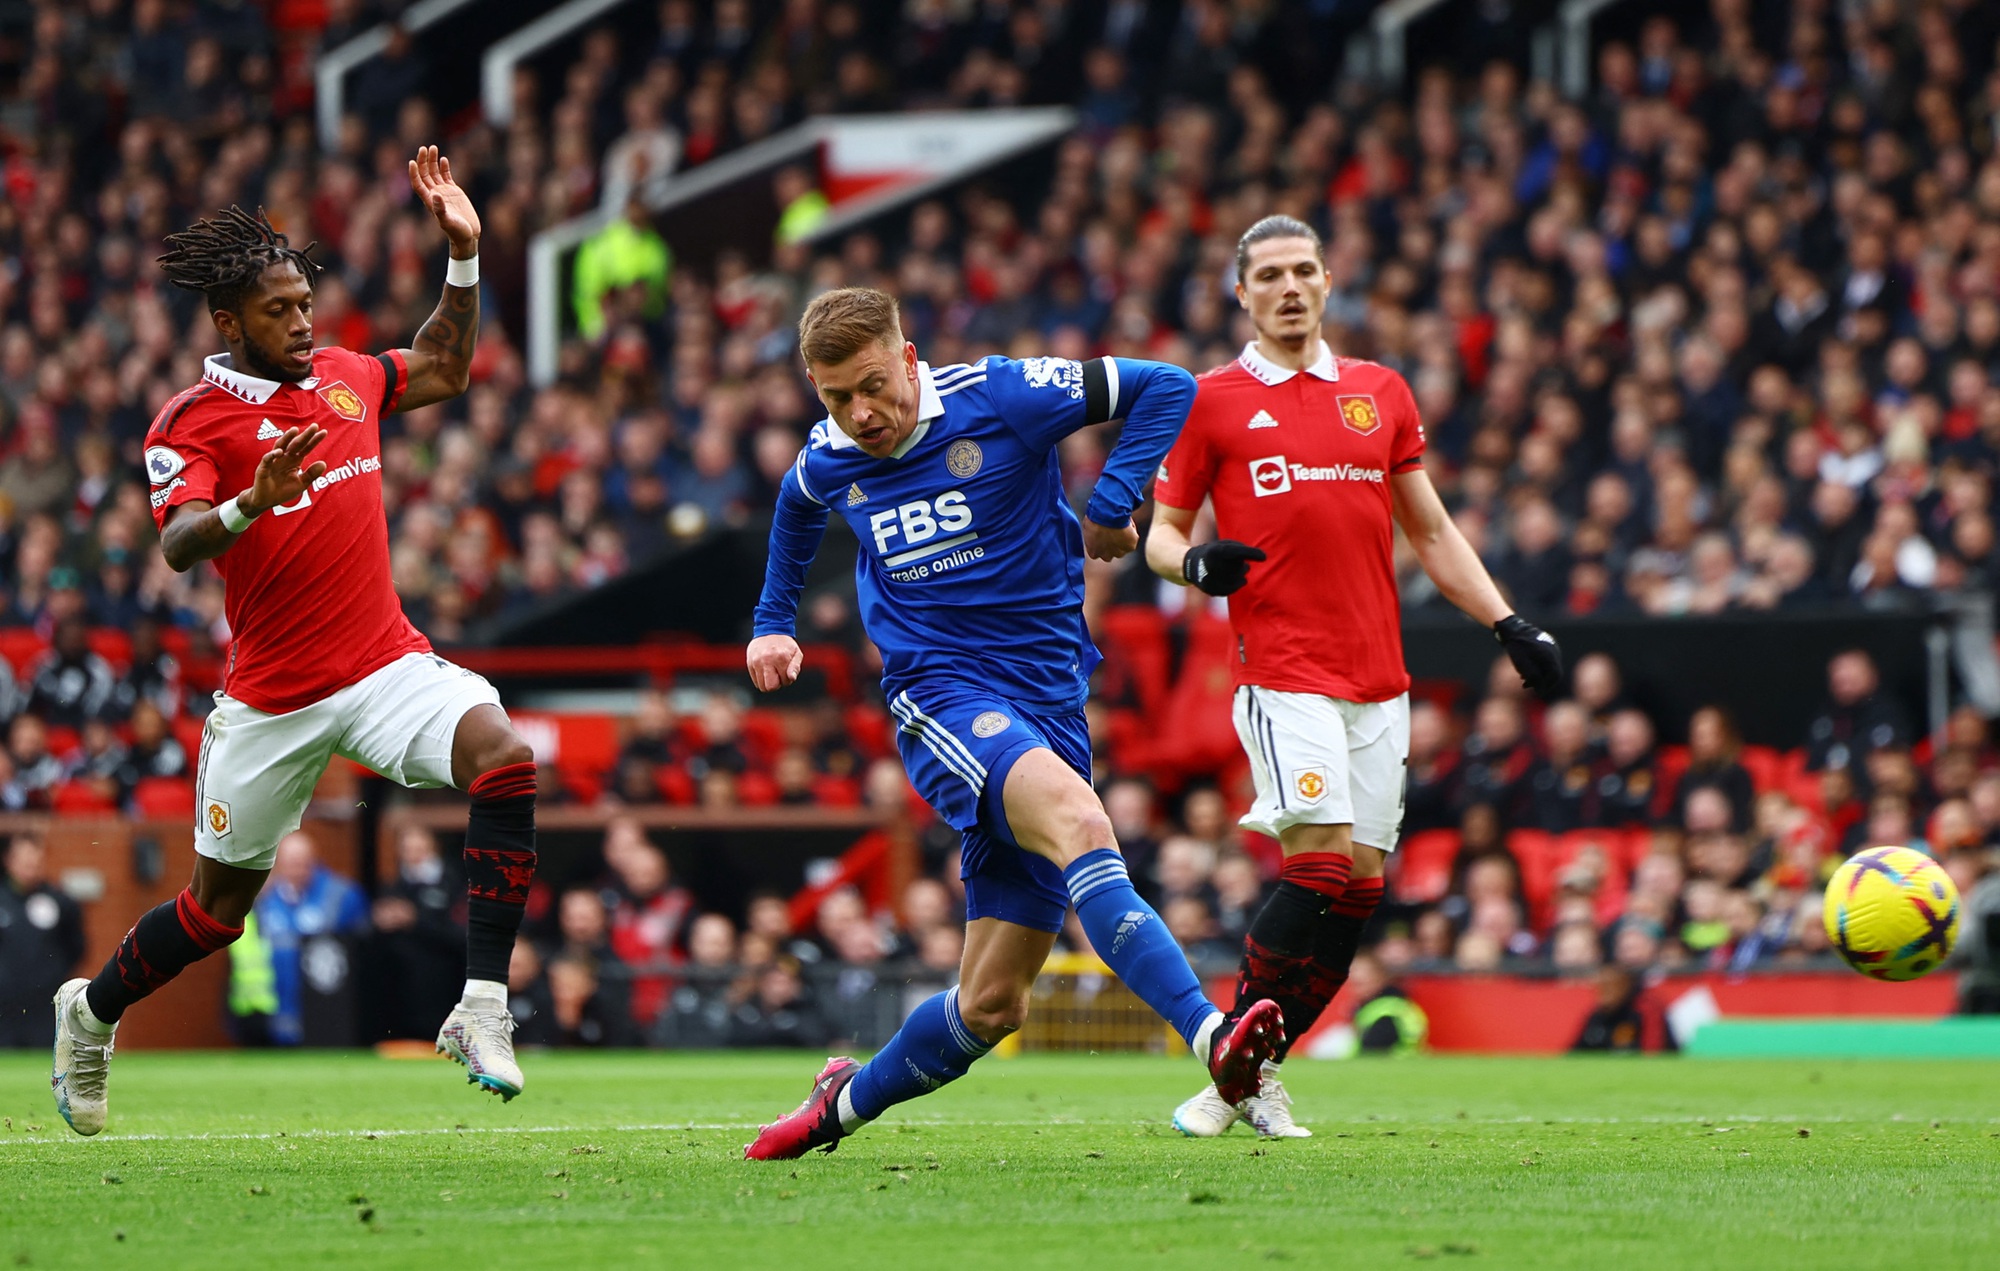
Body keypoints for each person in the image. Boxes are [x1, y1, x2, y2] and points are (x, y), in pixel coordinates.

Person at [52, 150, 541, 1137]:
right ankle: (91, 1011)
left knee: (506, 756)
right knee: (213, 912)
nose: (303, 321)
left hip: (384, 666)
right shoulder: (191, 422)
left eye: (305, 302)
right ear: (228, 321)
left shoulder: (346, 379)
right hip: (272, 698)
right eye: (278, 309)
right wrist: (247, 501)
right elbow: (180, 540)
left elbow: (443, 364)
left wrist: (463, 255)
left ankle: (481, 1003)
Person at [740, 286, 1283, 1160]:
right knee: (1081, 826)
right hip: (943, 693)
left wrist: (1111, 498)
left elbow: (1166, 384)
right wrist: (773, 619)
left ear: (908, 357)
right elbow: (797, 505)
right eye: (837, 396)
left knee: (992, 1005)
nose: (861, 412)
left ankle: (836, 1107)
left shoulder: (1001, 397)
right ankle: (1215, 1037)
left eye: (873, 386)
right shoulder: (831, 450)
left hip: (1050, 702)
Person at [1146, 217, 1564, 1139]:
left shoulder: (1381, 392)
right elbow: (1160, 534)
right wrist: (1195, 566)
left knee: (1364, 886)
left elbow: (1433, 531)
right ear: (1242, 293)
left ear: (1328, 281)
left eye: (1304, 270)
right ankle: (1231, 1056)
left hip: (1380, 678)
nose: (1289, 287)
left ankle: (1244, 1082)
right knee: (1322, 857)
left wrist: (1507, 621)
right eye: (1269, 275)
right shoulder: (1208, 402)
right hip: (1284, 671)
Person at [0, 836, 85, 1046]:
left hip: (45, 1005)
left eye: (35, 860)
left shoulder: (59, 901)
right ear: (8, 861)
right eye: (24, 860)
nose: (31, 866)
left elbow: (76, 946)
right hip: (4, 1005)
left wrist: (52, 975)